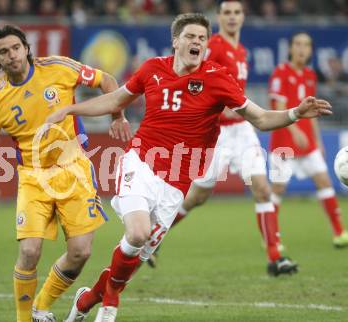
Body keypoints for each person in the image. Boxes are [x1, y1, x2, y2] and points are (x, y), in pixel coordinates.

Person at [44, 13, 332, 322]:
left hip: (178, 182)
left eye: (202, 38)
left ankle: (87, 299)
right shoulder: (153, 69)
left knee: (133, 260)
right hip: (140, 162)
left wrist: (294, 114)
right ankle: (110, 304)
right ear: (176, 41)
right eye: (191, 37)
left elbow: (260, 118)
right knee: (138, 233)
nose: (197, 42)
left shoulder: (218, 78)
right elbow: (115, 100)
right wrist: (71, 109)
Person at [0, 25, 131, 322]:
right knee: (29, 252)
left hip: (74, 170)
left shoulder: (58, 67)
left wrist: (117, 114)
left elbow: (106, 80)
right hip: (33, 178)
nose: (12, 55)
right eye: (4, 52)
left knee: (80, 252)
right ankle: (24, 319)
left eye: (16, 48)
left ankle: (41, 306)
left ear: (26, 48)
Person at [150, 0, 293, 277]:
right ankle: (156, 234)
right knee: (196, 197)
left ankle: (275, 258)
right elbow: (195, 78)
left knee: (262, 189)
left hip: (242, 129)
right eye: (227, 12)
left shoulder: (241, 50)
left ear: (243, 16)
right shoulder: (212, 46)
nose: (232, 17)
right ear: (219, 17)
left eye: (237, 12)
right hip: (216, 132)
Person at [268, 31, 348, 248]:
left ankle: (339, 232)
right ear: (291, 48)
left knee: (324, 181)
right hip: (283, 142)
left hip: (308, 144)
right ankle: (272, 239)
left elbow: (313, 113)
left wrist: (318, 140)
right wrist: (295, 131)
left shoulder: (310, 75)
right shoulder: (280, 72)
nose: (302, 48)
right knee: (278, 189)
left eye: (306, 45)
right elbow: (278, 107)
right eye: (298, 44)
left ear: (311, 50)